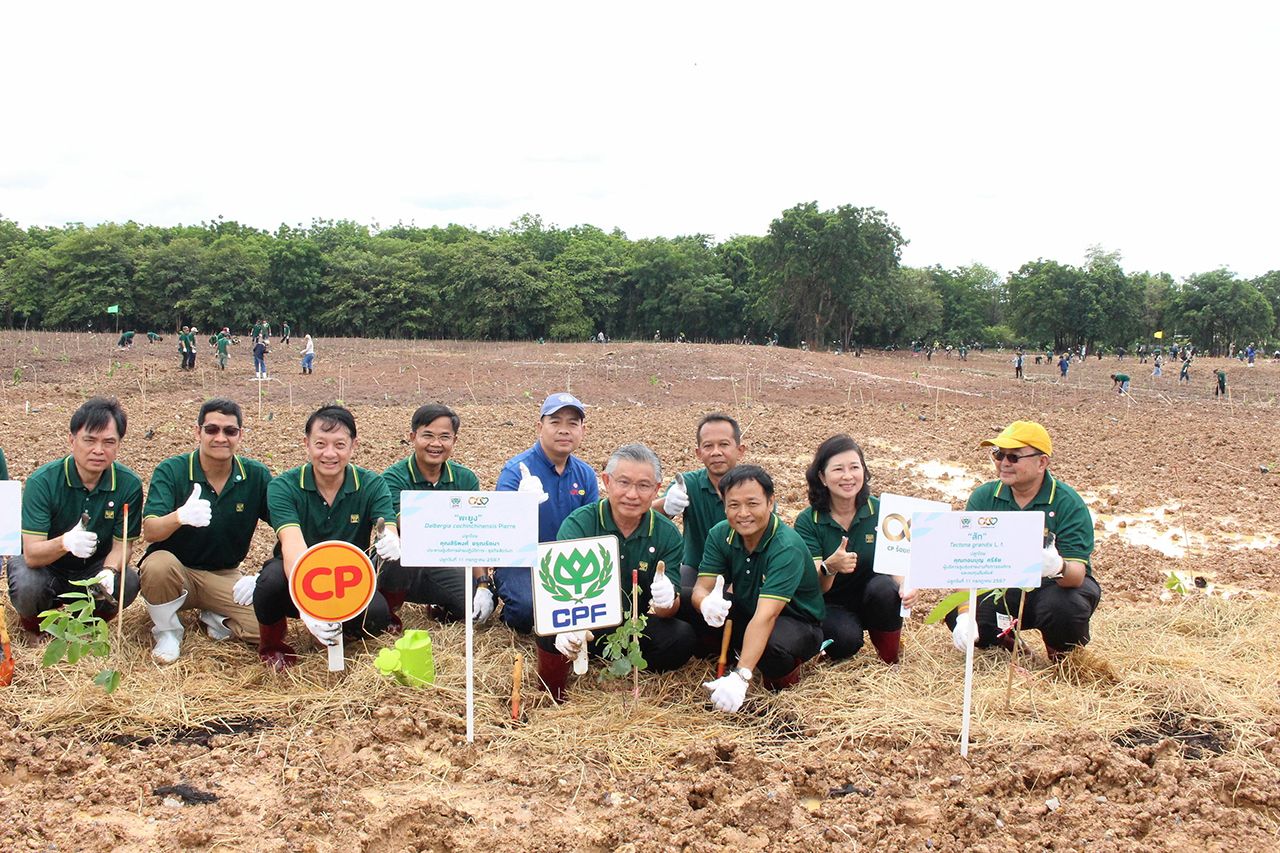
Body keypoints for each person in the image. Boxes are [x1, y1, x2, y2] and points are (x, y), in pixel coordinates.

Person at [537, 444, 694, 702]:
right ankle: (552, 692)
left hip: (636, 624)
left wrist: (667, 600)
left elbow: (668, 608)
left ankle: (623, 659)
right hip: (587, 622)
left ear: (657, 489)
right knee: (546, 628)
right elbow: (559, 588)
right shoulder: (580, 523)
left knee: (681, 638)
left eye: (644, 486)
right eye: (623, 482)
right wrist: (567, 627)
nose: (632, 494)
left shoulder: (667, 533)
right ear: (607, 481)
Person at [247, 405, 401, 669]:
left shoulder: (372, 484)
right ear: (306, 444)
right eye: (320, 444)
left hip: (349, 576)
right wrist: (308, 608)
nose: (330, 454)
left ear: (353, 445)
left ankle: (357, 628)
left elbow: (386, 526)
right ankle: (273, 644)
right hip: (298, 574)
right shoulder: (284, 486)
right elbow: (292, 543)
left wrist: (391, 539)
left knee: (374, 616)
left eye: (340, 444)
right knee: (269, 583)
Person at [949, 421, 1099, 661]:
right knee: (958, 610)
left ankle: (1062, 658)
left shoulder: (1067, 503)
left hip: (1053, 587)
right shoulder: (984, 498)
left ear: (1042, 462)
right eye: (998, 455)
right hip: (1003, 585)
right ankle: (1011, 644)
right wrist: (965, 614)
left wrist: (1057, 567)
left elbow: (1077, 575)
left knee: (1064, 608)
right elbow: (967, 562)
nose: (1004, 463)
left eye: (1014, 457)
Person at [139, 399, 271, 662]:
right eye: (211, 430)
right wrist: (179, 517)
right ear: (197, 431)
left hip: (224, 574)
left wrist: (264, 575)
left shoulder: (255, 476)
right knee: (157, 566)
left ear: (240, 435)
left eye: (229, 431)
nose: (220, 437)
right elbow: (150, 531)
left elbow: (286, 526)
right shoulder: (172, 471)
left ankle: (217, 617)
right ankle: (167, 632)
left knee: (264, 629)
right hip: (177, 575)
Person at [694, 465, 826, 712]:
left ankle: (780, 679)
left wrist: (741, 676)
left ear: (770, 502)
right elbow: (702, 587)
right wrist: (704, 602)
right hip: (749, 608)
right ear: (724, 505)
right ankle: (735, 655)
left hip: (796, 620)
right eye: (733, 505)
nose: (743, 513)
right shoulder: (720, 534)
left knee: (771, 645)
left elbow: (767, 616)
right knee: (688, 608)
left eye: (752, 503)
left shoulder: (786, 546)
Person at [8, 398, 142, 635]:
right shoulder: (44, 481)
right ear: (72, 439)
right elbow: (32, 553)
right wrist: (64, 542)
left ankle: (89, 625)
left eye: (109, 442)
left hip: (92, 567)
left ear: (119, 444)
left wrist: (109, 571)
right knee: (28, 583)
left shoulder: (128, 484)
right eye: (89, 440)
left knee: (128, 581)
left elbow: (123, 545)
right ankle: (34, 626)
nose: (98, 450)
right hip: (47, 567)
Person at [794, 436, 915, 664]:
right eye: (838, 469)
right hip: (831, 602)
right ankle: (833, 640)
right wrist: (830, 567)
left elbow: (898, 561)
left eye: (854, 467)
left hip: (872, 595)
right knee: (844, 640)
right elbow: (814, 586)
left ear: (864, 471)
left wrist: (906, 585)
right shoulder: (808, 521)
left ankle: (889, 660)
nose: (848, 476)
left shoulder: (883, 510)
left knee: (886, 589)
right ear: (822, 476)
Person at [380, 404, 492, 630]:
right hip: (403, 563)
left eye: (444, 437)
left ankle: (440, 605)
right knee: (399, 554)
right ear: (413, 437)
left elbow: (475, 534)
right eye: (428, 435)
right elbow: (409, 527)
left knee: (471, 604)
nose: (435, 444)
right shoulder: (393, 478)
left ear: (454, 441)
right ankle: (388, 607)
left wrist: (482, 583)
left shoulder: (465, 479)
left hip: (444, 562)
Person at [494, 393, 598, 633]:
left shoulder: (585, 474)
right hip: (523, 559)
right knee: (527, 610)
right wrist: (521, 504)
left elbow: (592, 527)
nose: (564, 430)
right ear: (540, 427)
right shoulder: (516, 471)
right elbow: (500, 531)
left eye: (572, 423)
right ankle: (506, 602)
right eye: (555, 422)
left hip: (567, 560)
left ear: (583, 430)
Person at [654, 413, 747, 648]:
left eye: (724, 444)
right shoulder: (688, 484)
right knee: (676, 597)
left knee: (742, 606)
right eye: (708, 446)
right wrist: (665, 505)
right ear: (698, 453)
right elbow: (648, 516)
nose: (716, 452)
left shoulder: (753, 487)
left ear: (740, 449)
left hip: (742, 574)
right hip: (696, 570)